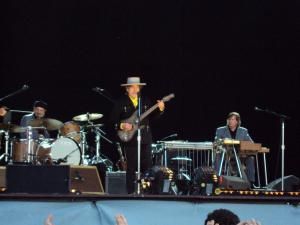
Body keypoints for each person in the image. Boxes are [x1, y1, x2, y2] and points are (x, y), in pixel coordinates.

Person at [110, 77, 165, 194]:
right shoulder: (121, 102)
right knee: (131, 167)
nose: (135, 89)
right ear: (127, 89)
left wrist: (160, 110)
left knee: (148, 166)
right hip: (130, 139)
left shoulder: (145, 100)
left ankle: (148, 191)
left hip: (145, 137)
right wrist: (122, 125)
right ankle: (130, 192)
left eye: (137, 87)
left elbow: (153, 117)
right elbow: (112, 120)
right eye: (132, 87)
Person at [214, 112, 256, 187]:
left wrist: (243, 149)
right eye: (229, 119)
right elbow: (216, 142)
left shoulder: (243, 131)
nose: (230, 121)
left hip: (240, 156)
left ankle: (250, 183)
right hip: (227, 156)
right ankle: (217, 180)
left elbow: (251, 144)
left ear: (237, 121)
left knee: (251, 159)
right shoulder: (220, 130)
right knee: (218, 155)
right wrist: (223, 141)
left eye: (232, 119)